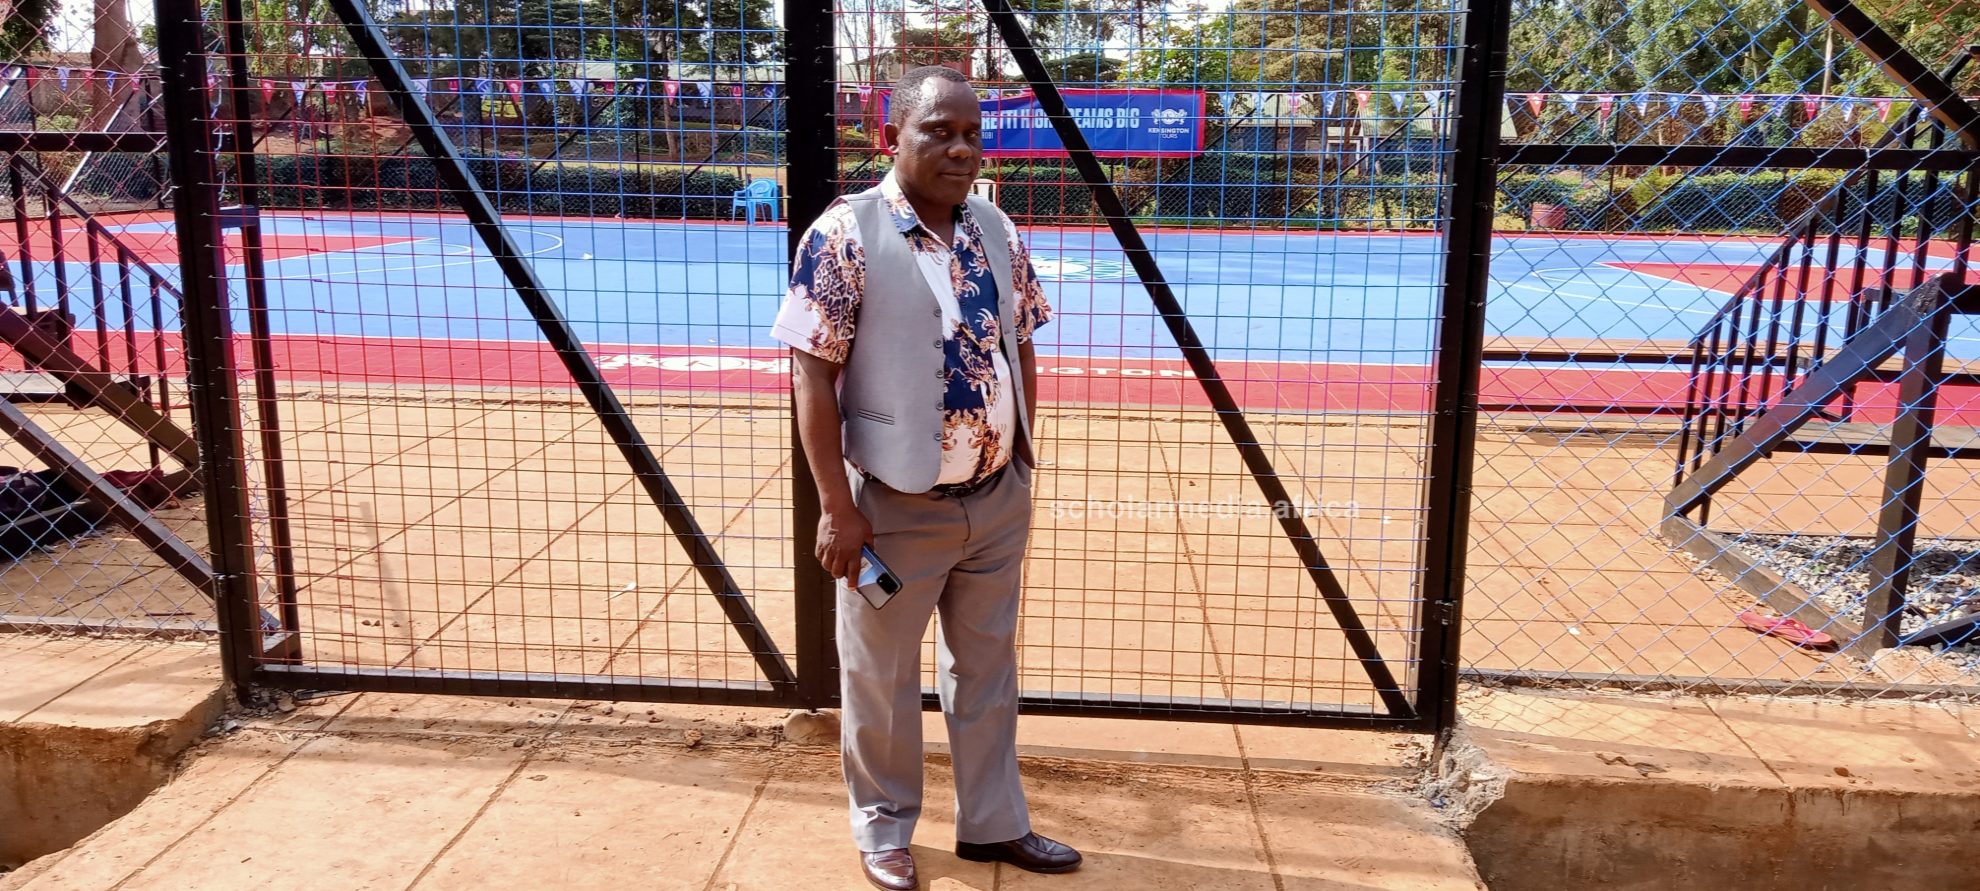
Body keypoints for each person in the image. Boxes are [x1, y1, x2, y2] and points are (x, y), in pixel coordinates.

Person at [771, 65, 1083, 890]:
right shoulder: (844, 234)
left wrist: (1020, 454)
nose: (960, 148)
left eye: (973, 134)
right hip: (894, 510)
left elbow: (1022, 341)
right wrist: (837, 505)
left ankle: (993, 822)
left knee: (985, 668)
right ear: (891, 138)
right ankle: (883, 829)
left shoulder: (994, 228)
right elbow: (811, 377)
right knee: (880, 677)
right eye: (938, 131)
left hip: (994, 502)